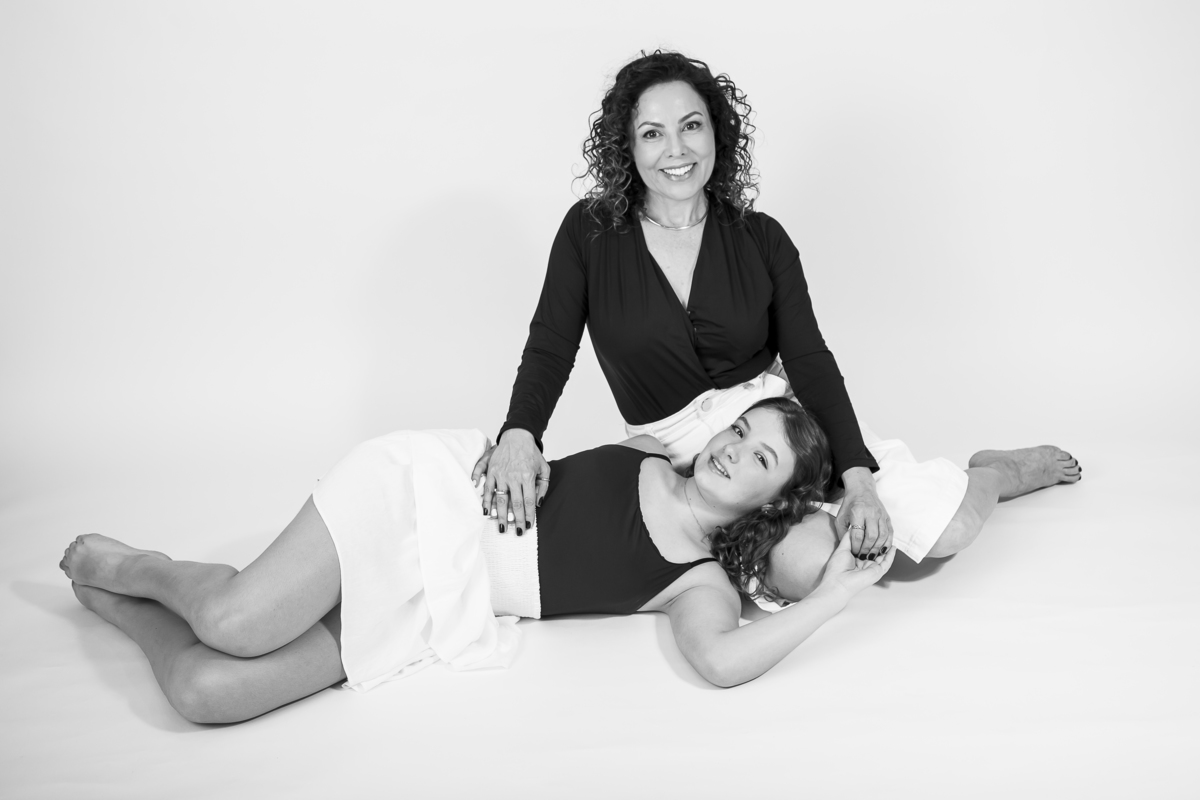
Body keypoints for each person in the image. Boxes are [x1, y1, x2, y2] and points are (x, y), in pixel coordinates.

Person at [59, 399, 894, 724]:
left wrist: (837, 594)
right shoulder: (651, 448)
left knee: (206, 692)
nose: (732, 449)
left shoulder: (696, 583)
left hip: (439, 604)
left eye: (758, 459)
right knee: (233, 623)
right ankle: (143, 570)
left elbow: (722, 663)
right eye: (740, 431)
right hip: (428, 496)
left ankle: (128, 610)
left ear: (773, 503)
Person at [478, 50, 962, 565]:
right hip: (692, 464)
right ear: (627, 147)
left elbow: (810, 361)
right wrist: (520, 433)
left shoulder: (763, 238)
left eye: (691, 125)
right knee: (815, 563)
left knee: (942, 533)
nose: (676, 149)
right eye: (652, 133)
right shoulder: (589, 231)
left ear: (716, 133)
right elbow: (550, 345)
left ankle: (996, 473)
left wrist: (858, 481)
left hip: (783, 434)